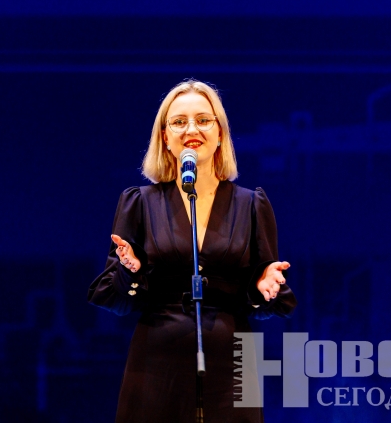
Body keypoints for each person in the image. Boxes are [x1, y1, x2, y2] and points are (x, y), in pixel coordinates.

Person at [88, 79, 297, 422]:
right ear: (165, 137)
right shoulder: (139, 203)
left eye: (203, 120)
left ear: (220, 133)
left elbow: (264, 298)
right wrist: (130, 272)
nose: (191, 129)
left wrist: (262, 287)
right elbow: (117, 300)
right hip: (157, 363)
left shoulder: (250, 204)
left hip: (231, 362)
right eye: (179, 122)